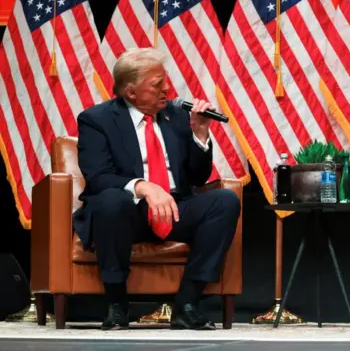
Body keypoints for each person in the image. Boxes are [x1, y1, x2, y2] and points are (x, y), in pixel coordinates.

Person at [73, 48, 240, 330]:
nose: (167, 89)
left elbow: (198, 178)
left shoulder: (175, 115)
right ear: (131, 91)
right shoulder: (96, 120)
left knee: (224, 201)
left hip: (175, 209)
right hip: (129, 214)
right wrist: (143, 187)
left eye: (165, 80)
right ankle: (117, 305)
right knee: (111, 200)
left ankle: (187, 304)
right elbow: (98, 177)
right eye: (157, 84)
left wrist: (200, 134)